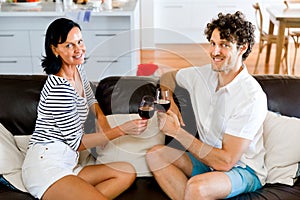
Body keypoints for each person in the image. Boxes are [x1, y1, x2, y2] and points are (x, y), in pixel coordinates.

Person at [22, 18, 148, 200]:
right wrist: (121, 130)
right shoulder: (59, 89)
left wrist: (101, 118)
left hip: (68, 162)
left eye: (79, 41)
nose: (78, 49)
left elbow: (89, 96)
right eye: (69, 45)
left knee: (126, 172)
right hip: (47, 164)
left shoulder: (76, 68)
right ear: (54, 49)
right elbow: (78, 143)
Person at [146, 11, 268, 199]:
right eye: (213, 43)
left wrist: (177, 132)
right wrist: (170, 103)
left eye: (224, 45)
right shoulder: (203, 75)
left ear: (242, 48)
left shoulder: (251, 97)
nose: (214, 52)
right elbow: (167, 77)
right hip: (206, 161)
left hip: (242, 169)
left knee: (197, 187)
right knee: (155, 155)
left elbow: (226, 161)